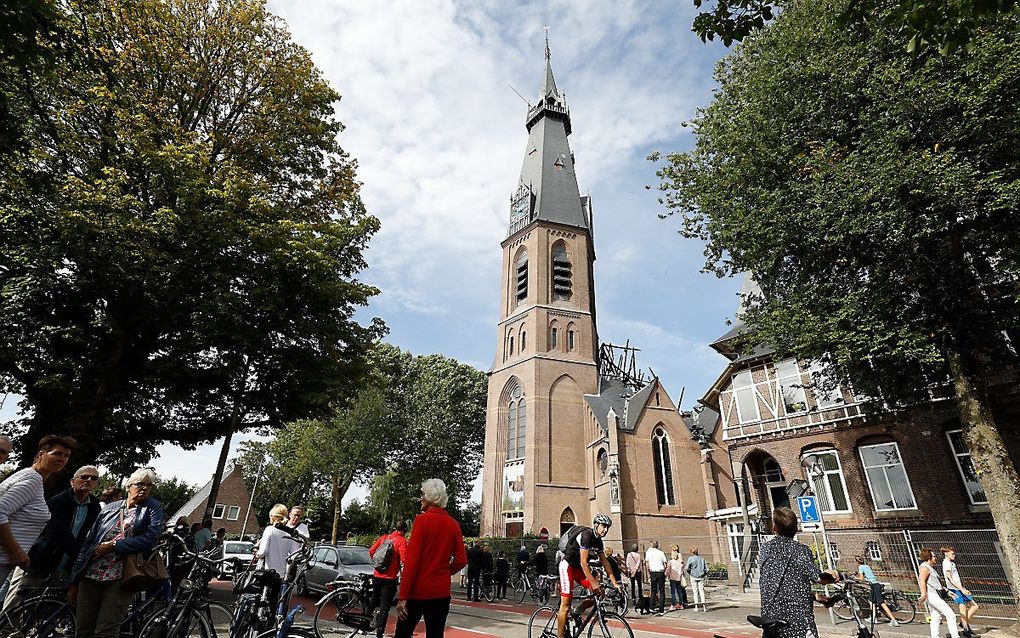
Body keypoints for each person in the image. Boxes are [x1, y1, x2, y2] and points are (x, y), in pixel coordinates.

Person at [69, 467, 164, 638]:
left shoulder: (153, 508)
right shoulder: (109, 508)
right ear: (129, 486)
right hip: (91, 574)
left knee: (106, 631)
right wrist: (75, 580)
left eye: (149, 486)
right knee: (83, 629)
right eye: (140, 484)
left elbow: (151, 538)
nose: (144, 489)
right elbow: (89, 543)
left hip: (120, 576)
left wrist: (114, 546)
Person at [3, 464, 100, 610]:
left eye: (93, 478)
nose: (88, 480)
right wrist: (79, 553)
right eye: (84, 477)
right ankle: (7, 628)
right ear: (72, 481)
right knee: (19, 597)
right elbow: (56, 531)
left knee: (42, 605)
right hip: (41, 557)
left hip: (64, 563)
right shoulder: (58, 501)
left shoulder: (94, 505)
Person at [394, 478, 467, 638]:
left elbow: (412, 562)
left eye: (422, 495)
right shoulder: (453, 524)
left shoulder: (421, 521)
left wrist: (403, 596)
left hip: (417, 592)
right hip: (440, 593)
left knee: (402, 633)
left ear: (430, 497)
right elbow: (461, 559)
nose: (420, 498)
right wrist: (444, 572)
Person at [0, 435, 74, 588]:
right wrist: (16, 551)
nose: (62, 459)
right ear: (41, 454)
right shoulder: (32, 480)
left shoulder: (31, 477)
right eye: (57, 453)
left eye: (66, 456)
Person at [757, 508, 838, 638]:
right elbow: (820, 578)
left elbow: (782, 584)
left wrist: (815, 597)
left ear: (774, 528)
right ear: (796, 528)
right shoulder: (801, 550)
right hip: (796, 621)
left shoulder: (765, 549)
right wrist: (832, 574)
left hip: (770, 617)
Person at [556, 513, 620, 638]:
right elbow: (584, 562)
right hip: (567, 567)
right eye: (603, 526)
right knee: (565, 605)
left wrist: (615, 583)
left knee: (599, 593)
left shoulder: (598, 541)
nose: (605, 530)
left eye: (608, 527)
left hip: (579, 570)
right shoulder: (586, 535)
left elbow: (605, 562)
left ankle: (577, 611)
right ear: (596, 525)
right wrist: (594, 583)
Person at [369, 520, 408, 638]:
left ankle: (365, 623)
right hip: (389, 578)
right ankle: (379, 633)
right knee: (385, 607)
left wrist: (378, 566)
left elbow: (371, 551)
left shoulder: (384, 538)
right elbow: (404, 561)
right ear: (404, 530)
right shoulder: (401, 541)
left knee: (374, 599)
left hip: (376, 575)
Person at [919, 547, 960, 638]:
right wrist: (923, 593)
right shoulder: (924, 567)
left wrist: (948, 591)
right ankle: (955, 636)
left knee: (936, 617)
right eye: (934, 556)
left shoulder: (930, 568)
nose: (936, 558)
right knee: (950, 614)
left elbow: (937, 584)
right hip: (932, 595)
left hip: (934, 594)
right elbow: (922, 580)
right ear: (929, 557)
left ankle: (935, 636)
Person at [942, 547, 978, 637]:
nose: (954, 555)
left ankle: (964, 623)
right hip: (954, 589)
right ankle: (966, 629)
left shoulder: (951, 563)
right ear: (946, 554)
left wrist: (963, 588)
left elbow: (956, 578)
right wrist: (960, 589)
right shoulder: (946, 563)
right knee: (962, 608)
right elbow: (949, 578)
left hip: (959, 588)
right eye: (952, 554)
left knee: (975, 606)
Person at [853, 555, 899, 626]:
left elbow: (861, 578)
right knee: (871, 601)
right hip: (876, 585)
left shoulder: (860, 567)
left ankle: (893, 620)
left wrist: (855, 578)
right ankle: (873, 618)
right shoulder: (866, 566)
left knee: (881, 603)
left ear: (857, 562)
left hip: (874, 586)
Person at [256, 504, 301, 576]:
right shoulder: (289, 533)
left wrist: (257, 554)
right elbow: (294, 554)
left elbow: (263, 552)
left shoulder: (269, 529)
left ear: (272, 516)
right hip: (281, 574)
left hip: (267, 573)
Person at [645, 540, 667, 615]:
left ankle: (652, 607)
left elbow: (647, 564)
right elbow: (665, 563)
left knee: (653, 590)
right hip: (660, 571)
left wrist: (648, 573)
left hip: (653, 571)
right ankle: (661, 609)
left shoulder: (648, 552)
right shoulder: (661, 552)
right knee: (662, 590)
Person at [684, 546, 709, 611]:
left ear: (691, 552)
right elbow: (707, 569)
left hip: (693, 576)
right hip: (701, 577)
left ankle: (696, 607)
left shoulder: (690, 559)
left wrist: (690, 572)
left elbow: (687, 568)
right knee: (702, 591)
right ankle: (704, 607)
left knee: (695, 592)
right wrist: (704, 574)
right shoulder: (702, 559)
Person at [666, 544, 687, 611]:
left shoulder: (670, 562)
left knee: (673, 592)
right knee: (679, 591)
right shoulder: (680, 564)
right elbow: (681, 569)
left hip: (672, 578)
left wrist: (668, 576)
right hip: (678, 578)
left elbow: (668, 570)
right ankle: (681, 604)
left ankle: (673, 605)